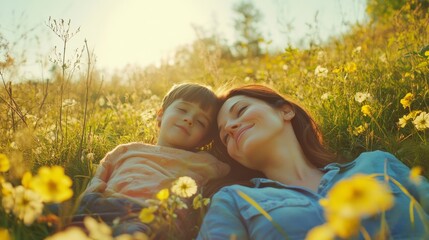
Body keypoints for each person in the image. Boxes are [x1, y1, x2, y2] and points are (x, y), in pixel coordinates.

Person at [197, 84, 429, 240]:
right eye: (224, 136)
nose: (229, 127)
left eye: (241, 110)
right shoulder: (233, 200)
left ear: (285, 111)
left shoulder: (378, 162)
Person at [71, 83, 230, 237]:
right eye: (182, 109)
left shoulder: (206, 162)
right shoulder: (127, 150)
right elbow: (99, 177)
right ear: (160, 115)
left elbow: (236, 174)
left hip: (154, 219)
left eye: (201, 122)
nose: (189, 119)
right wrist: (88, 199)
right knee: (54, 211)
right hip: (102, 205)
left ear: (204, 140)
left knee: (133, 233)